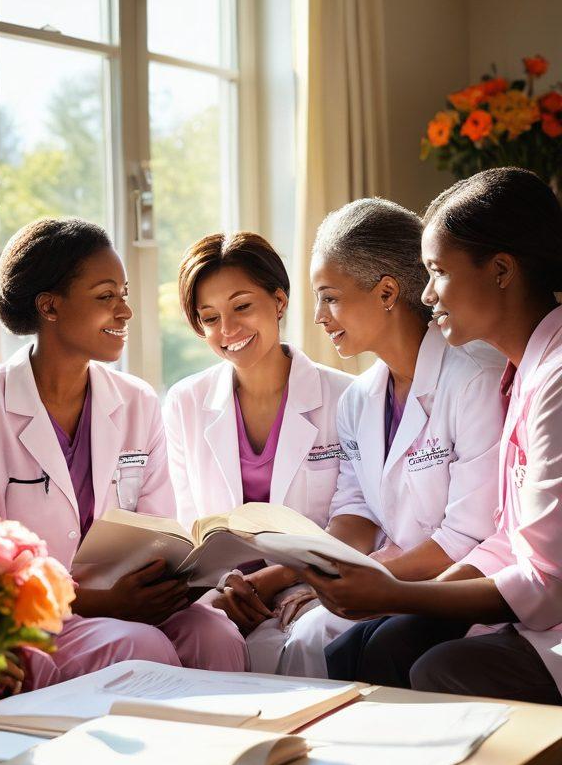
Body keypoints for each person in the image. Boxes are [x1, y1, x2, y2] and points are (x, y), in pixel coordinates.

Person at [0, 217, 248, 685]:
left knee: (217, 635)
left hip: (126, 604)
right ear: (50, 306)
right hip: (31, 622)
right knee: (142, 646)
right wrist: (105, 603)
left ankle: (230, 755)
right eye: (106, 297)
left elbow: (160, 532)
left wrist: (176, 579)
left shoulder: (136, 401)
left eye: (123, 294)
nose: (125, 312)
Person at [317, 169, 562, 706]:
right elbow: (507, 538)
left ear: (501, 270)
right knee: (374, 644)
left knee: (434, 666)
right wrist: (406, 597)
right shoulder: (525, 372)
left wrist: (404, 593)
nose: (425, 293)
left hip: (549, 619)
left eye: (437, 272)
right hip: (525, 599)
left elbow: (544, 584)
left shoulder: (552, 381)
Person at [271, 197, 504, 678]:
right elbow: (355, 512)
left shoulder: (475, 378)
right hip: (393, 580)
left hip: (461, 589)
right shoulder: (359, 399)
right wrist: (320, 572)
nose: (318, 316)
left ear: (386, 293)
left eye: (330, 296)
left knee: (336, 637)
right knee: (308, 634)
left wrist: (367, 584)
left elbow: (468, 537)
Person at [163, 231, 351, 670]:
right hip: (224, 594)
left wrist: (282, 577)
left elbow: (362, 523)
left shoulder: (348, 398)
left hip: (313, 583)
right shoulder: (185, 403)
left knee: (311, 643)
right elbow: (189, 529)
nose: (226, 331)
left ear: (279, 301)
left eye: (241, 307)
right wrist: (227, 589)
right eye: (209, 318)